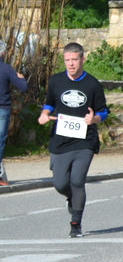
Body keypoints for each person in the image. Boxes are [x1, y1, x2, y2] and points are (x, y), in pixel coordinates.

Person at [39, 42, 108, 236]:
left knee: (77, 181)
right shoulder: (56, 81)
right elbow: (50, 104)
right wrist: (44, 114)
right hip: (61, 140)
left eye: (74, 60)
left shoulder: (93, 84)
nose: (71, 64)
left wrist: (94, 118)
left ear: (83, 59)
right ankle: (72, 198)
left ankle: (76, 223)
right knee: (61, 184)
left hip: (85, 140)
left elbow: (104, 111)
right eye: (67, 60)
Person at [0, 40, 28, 185]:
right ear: (3, 53)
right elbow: (23, 87)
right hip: (2, 109)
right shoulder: (7, 68)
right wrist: (22, 78)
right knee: (0, 141)